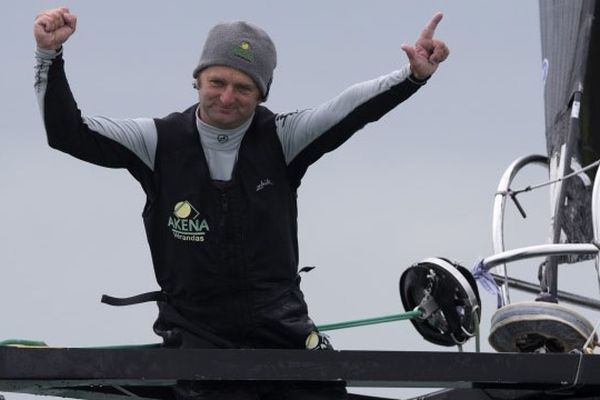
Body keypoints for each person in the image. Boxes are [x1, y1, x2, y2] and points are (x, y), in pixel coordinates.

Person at [34, 7, 449, 400]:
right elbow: (67, 132)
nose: (227, 97)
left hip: (283, 331)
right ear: (197, 80)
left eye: (243, 87)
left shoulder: (284, 138)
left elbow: (349, 109)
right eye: (217, 82)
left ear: (261, 93)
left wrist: (411, 75)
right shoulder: (156, 141)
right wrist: (49, 54)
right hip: (198, 338)